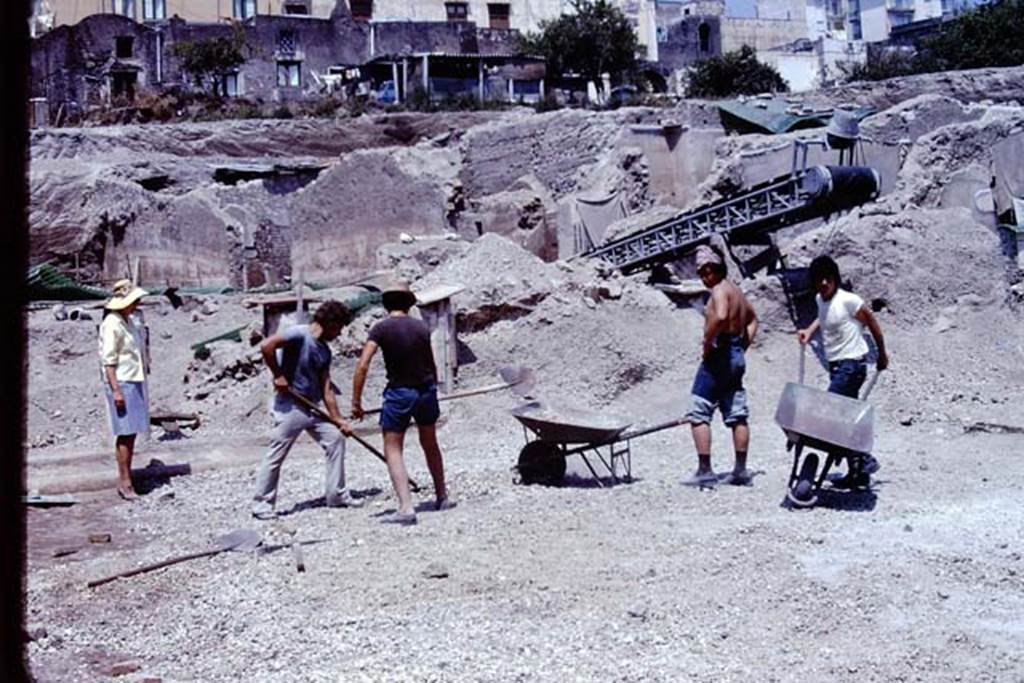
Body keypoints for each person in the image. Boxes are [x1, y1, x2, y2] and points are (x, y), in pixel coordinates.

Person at [352, 280, 453, 526]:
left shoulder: (380, 329)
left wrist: (356, 401)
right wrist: (432, 388)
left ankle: (406, 508)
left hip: (399, 393)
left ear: (386, 303)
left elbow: (363, 365)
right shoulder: (421, 328)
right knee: (430, 442)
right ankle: (442, 496)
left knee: (393, 448)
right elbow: (431, 363)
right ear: (409, 303)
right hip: (426, 390)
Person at [251, 300, 363, 520]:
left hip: (312, 406)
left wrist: (338, 419)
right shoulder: (299, 334)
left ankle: (336, 495)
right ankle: (262, 504)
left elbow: (326, 388)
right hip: (291, 405)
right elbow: (266, 346)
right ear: (330, 323)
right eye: (339, 328)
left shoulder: (324, 351)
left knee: (335, 438)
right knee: (277, 452)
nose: (339, 333)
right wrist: (278, 375)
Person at [797, 255, 889, 488]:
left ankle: (865, 459)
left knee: (832, 411)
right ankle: (858, 474)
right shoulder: (820, 299)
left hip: (852, 364)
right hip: (836, 366)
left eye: (828, 278)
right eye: (819, 279)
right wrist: (809, 330)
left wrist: (882, 354)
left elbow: (872, 323)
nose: (824, 283)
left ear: (835, 278)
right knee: (847, 417)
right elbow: (823, 316)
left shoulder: (849, 300)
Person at [685, 245, 759, 487]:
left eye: (708, 271)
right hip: (735, 354)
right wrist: (741, 347)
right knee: (736, 412)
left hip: (719, 354)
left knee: (698, 410)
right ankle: (740, 471)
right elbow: (753, 319)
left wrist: (708, 340)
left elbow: (721, 316)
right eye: (701, 273)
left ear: (719, 268)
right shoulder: (736, 290)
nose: (705, 277)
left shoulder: (719, 290)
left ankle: (705, 471)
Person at [99, 279, 151, 501]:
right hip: (122, 382)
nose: (136, 304)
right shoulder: (112, 323)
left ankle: (128, 477)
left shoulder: (127, 321)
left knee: (131, 433)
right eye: (134, 301)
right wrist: (116, 390)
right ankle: (125, 482)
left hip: (133, 378)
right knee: (125, 433)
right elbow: (108, 361)